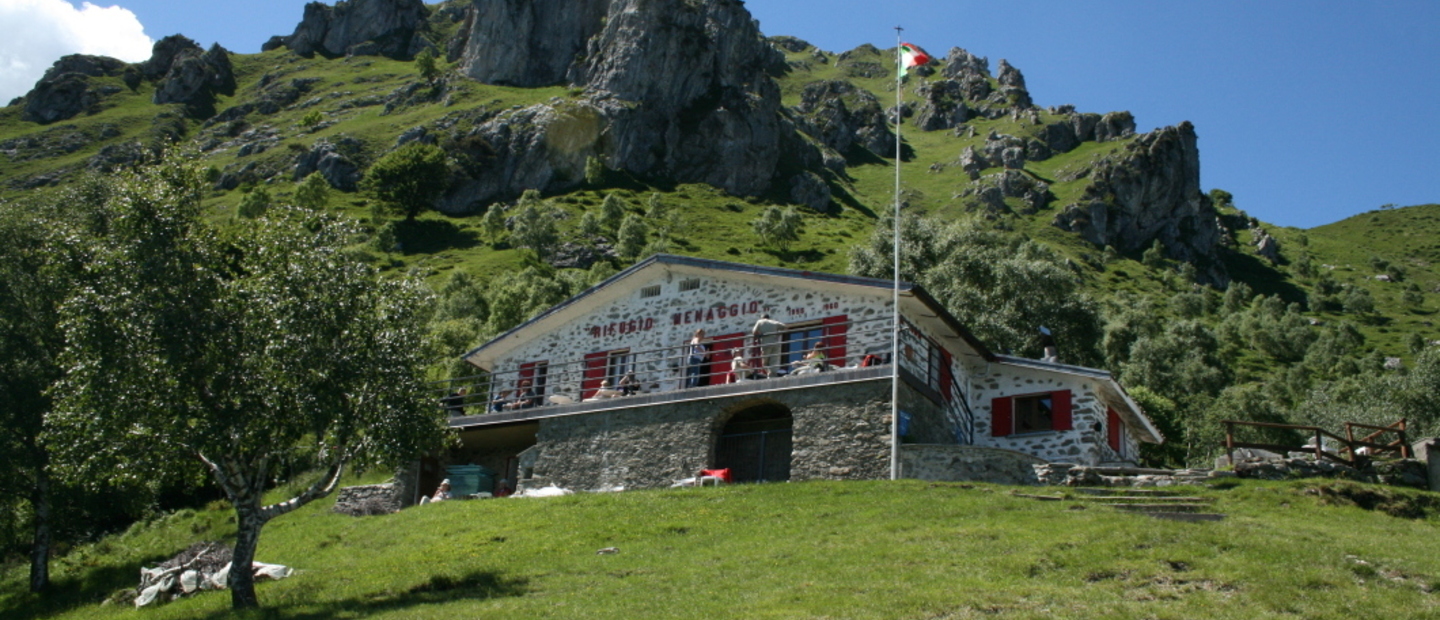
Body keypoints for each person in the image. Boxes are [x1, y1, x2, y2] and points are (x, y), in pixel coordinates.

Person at [750, 313, 786, 378]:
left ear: (762, 318)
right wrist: (778, 334)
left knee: (765, 363)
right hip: (775, 344)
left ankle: (770, 375)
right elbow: (784, 326)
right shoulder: (774, 322)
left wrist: (760, 335)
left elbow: (754, 331)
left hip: (766, 344)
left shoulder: (760, 321)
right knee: (773, 362)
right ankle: (773, 376)